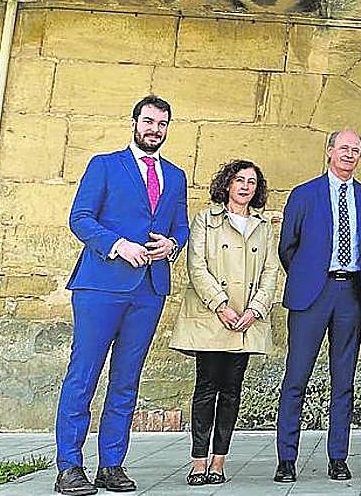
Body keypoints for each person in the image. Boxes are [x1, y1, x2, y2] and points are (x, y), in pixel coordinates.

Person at [54, 95, 189, 496]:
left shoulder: (176, 176)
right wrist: (117, 245)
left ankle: (111, 464)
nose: (154, 129)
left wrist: (172, 245)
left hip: (149, 289)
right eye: (148, 121)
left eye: (162, 124)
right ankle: (69, 467)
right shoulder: (105, 165)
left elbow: (180, 225)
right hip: (100, 286)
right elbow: (80, 218)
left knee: (126, 380)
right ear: (134, 123)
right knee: (83, 375)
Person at [274, 129, 361, 483]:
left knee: (344, 380)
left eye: (356, 149)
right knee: (296, 378)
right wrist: (308, 276)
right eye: (344, 148)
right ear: (330, 151)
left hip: (349, 294)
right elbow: (288, 245)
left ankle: (338, 456)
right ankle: (287, 458)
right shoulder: (304, 194)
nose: (349, 154)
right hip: (311, 295)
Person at [170, 159, 280, 486]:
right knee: (206, 388)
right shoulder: (206, 219)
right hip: (211, 318)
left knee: (232, 391)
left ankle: (219, 460)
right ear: (227, 184)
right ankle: (198, 461)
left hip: (246, 321)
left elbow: (270, 272)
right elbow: (196, 265)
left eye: (252, 182)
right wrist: (220, 305)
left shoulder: (263, 226)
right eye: (239, 180)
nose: (245, 186)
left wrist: (255, 310)